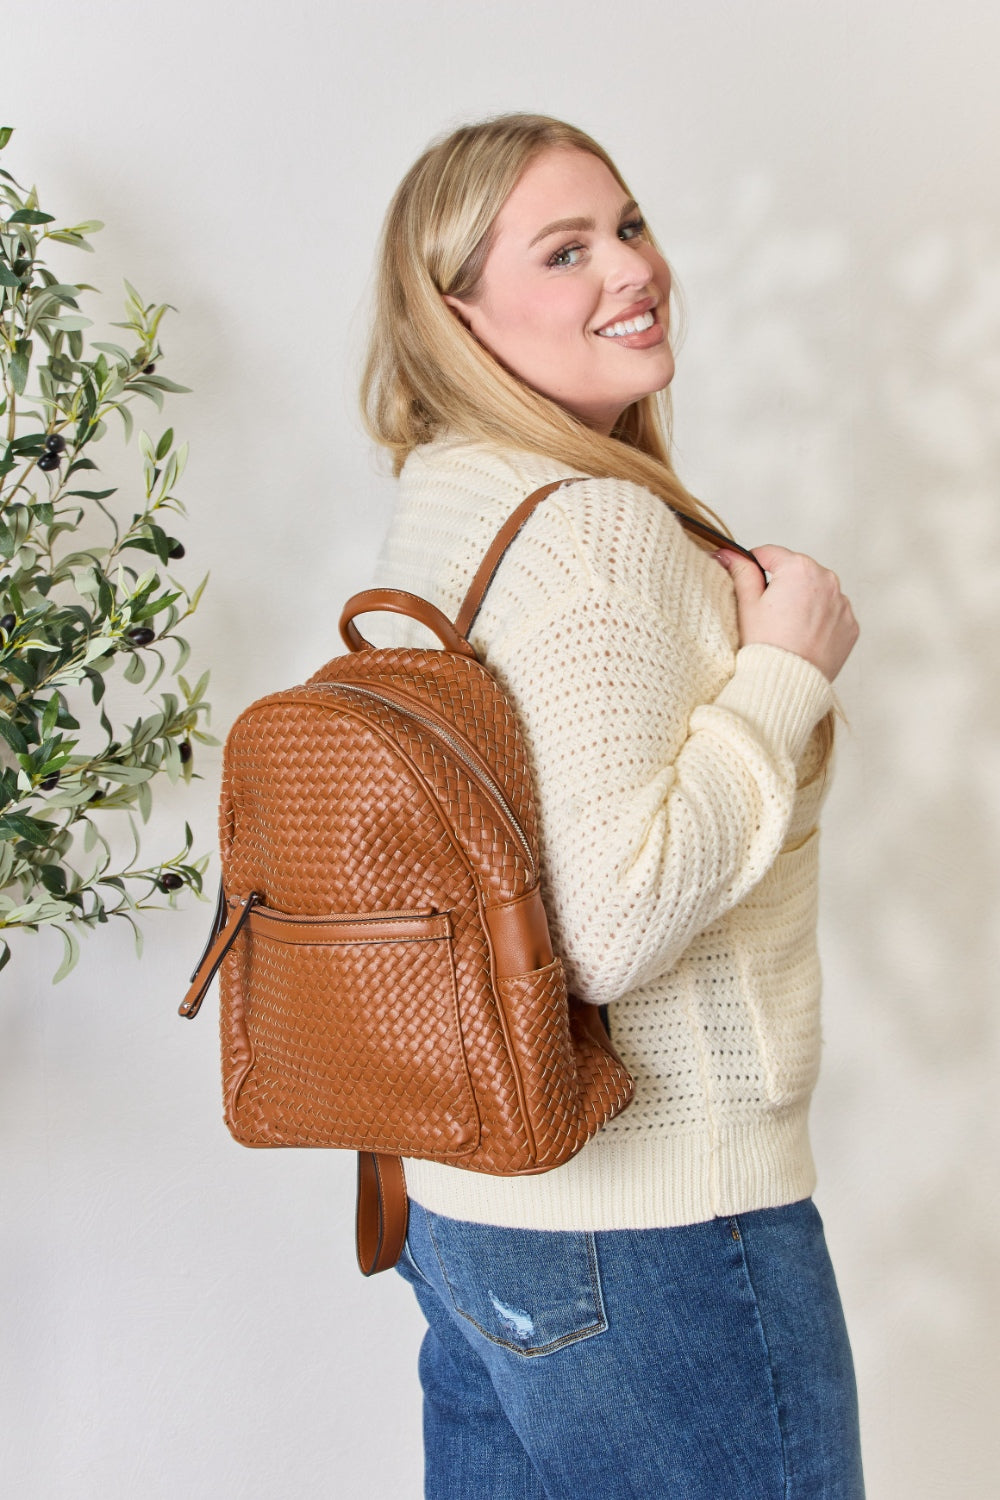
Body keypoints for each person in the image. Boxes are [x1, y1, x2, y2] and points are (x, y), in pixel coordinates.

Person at [360, 113, 864, 1500]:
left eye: (629, 226)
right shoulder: (591, 525)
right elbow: (610, 921)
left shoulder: (449, 497)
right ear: (455, 313)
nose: (630, 271)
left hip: (469, 1206)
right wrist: (783, 672)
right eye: (565, 250)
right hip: (653, 1220)